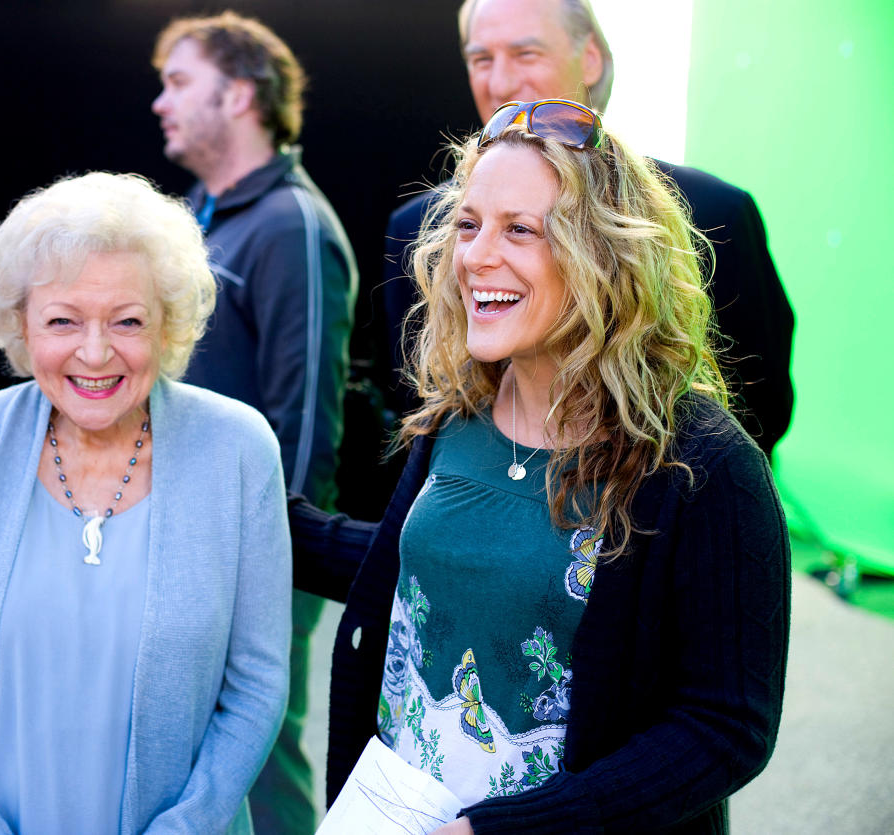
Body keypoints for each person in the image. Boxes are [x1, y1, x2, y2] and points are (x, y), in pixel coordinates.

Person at [293, 102, 789, 832]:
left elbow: (725, 725)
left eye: (519, 229)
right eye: (468, 225)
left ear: (603, 255)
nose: (476, 256)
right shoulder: (455, 414)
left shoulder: (700, 463)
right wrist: (253, 507)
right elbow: (429, 567)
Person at [0, 172, 291, 834]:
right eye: (63, 320)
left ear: (167, 325)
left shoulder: (239, 449)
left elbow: (256, 688)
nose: (96, 352)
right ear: (20, 324)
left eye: (127, 320)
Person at [380, 0, 793, 460]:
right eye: (482, 59)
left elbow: (758, 411)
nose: (498, 83)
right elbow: (417, 415)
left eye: (526, 53)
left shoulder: (714, 212)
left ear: (591, 58)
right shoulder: (418, 229)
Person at [152, 12, 357, 832]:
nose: (160, 103)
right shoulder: (197, 215)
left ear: (239, 94)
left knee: (260, 759)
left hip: (257, 556)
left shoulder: (292, 225)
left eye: (177, 82)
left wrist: (273, 563)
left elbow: (306, 420)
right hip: (181, 538)